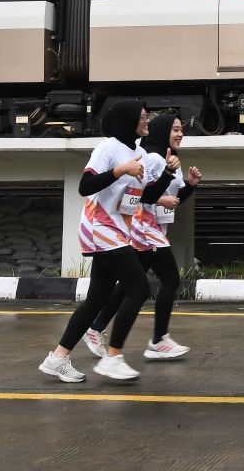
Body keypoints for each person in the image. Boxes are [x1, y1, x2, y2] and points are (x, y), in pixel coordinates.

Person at [38, 100, 153, 382]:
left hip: (116, 230)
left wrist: (174, 177)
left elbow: (145, 196)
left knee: (97, 299)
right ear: (128, 121)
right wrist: (119, 171)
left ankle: (57, 358)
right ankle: (113, 357)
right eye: (143, 116)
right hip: (99, 227)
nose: (148, 120)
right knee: (138, 288)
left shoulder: (139, 152)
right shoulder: (109, 148)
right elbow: (84, 186)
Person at [83, 114, 201, 361]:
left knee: (131, 286)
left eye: (181, 130)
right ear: (162, 131)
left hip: (152, 229)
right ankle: (157, 340)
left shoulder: (165, 159)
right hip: (142, 228)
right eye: (175, 129)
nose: (180, 134)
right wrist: (161, 198)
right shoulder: (154, 158)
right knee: (169, 278)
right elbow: (138, 193)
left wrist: (189, 185)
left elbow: (173, 197)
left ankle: (96, 327)